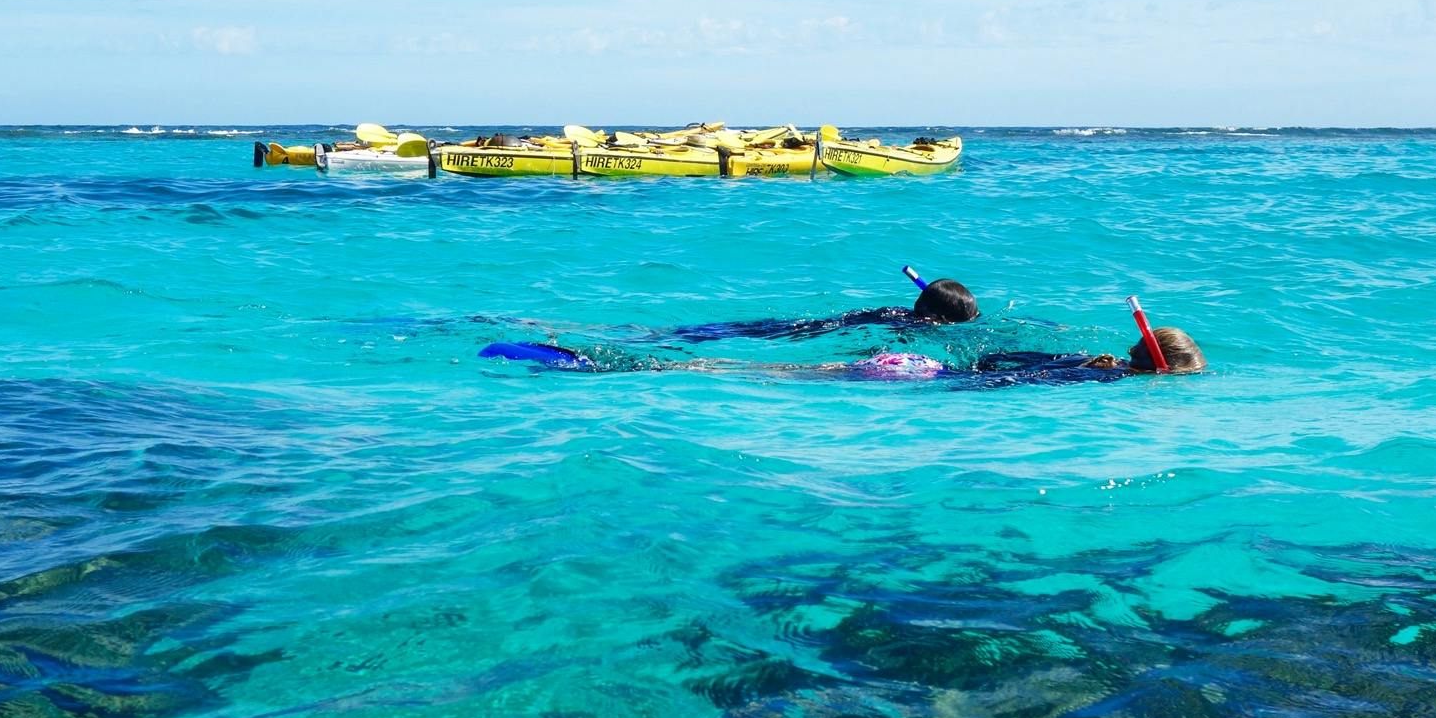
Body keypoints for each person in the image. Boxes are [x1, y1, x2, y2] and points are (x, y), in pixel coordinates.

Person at [480, 325, 1205, 387]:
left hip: (912, 366)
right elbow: (1002, 384)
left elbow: (1002, 362)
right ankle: (578, 363)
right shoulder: (1093, 378)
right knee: (738, 374)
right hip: (916, 381)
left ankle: (579, 358)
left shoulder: (1086, 359)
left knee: (755, 372)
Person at [669, 277, 980, 343]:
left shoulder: (899, 313)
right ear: (938, 319)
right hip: (834, 329)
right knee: (757, 335)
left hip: (828, 323)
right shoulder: (916, 326)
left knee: (755, 330)